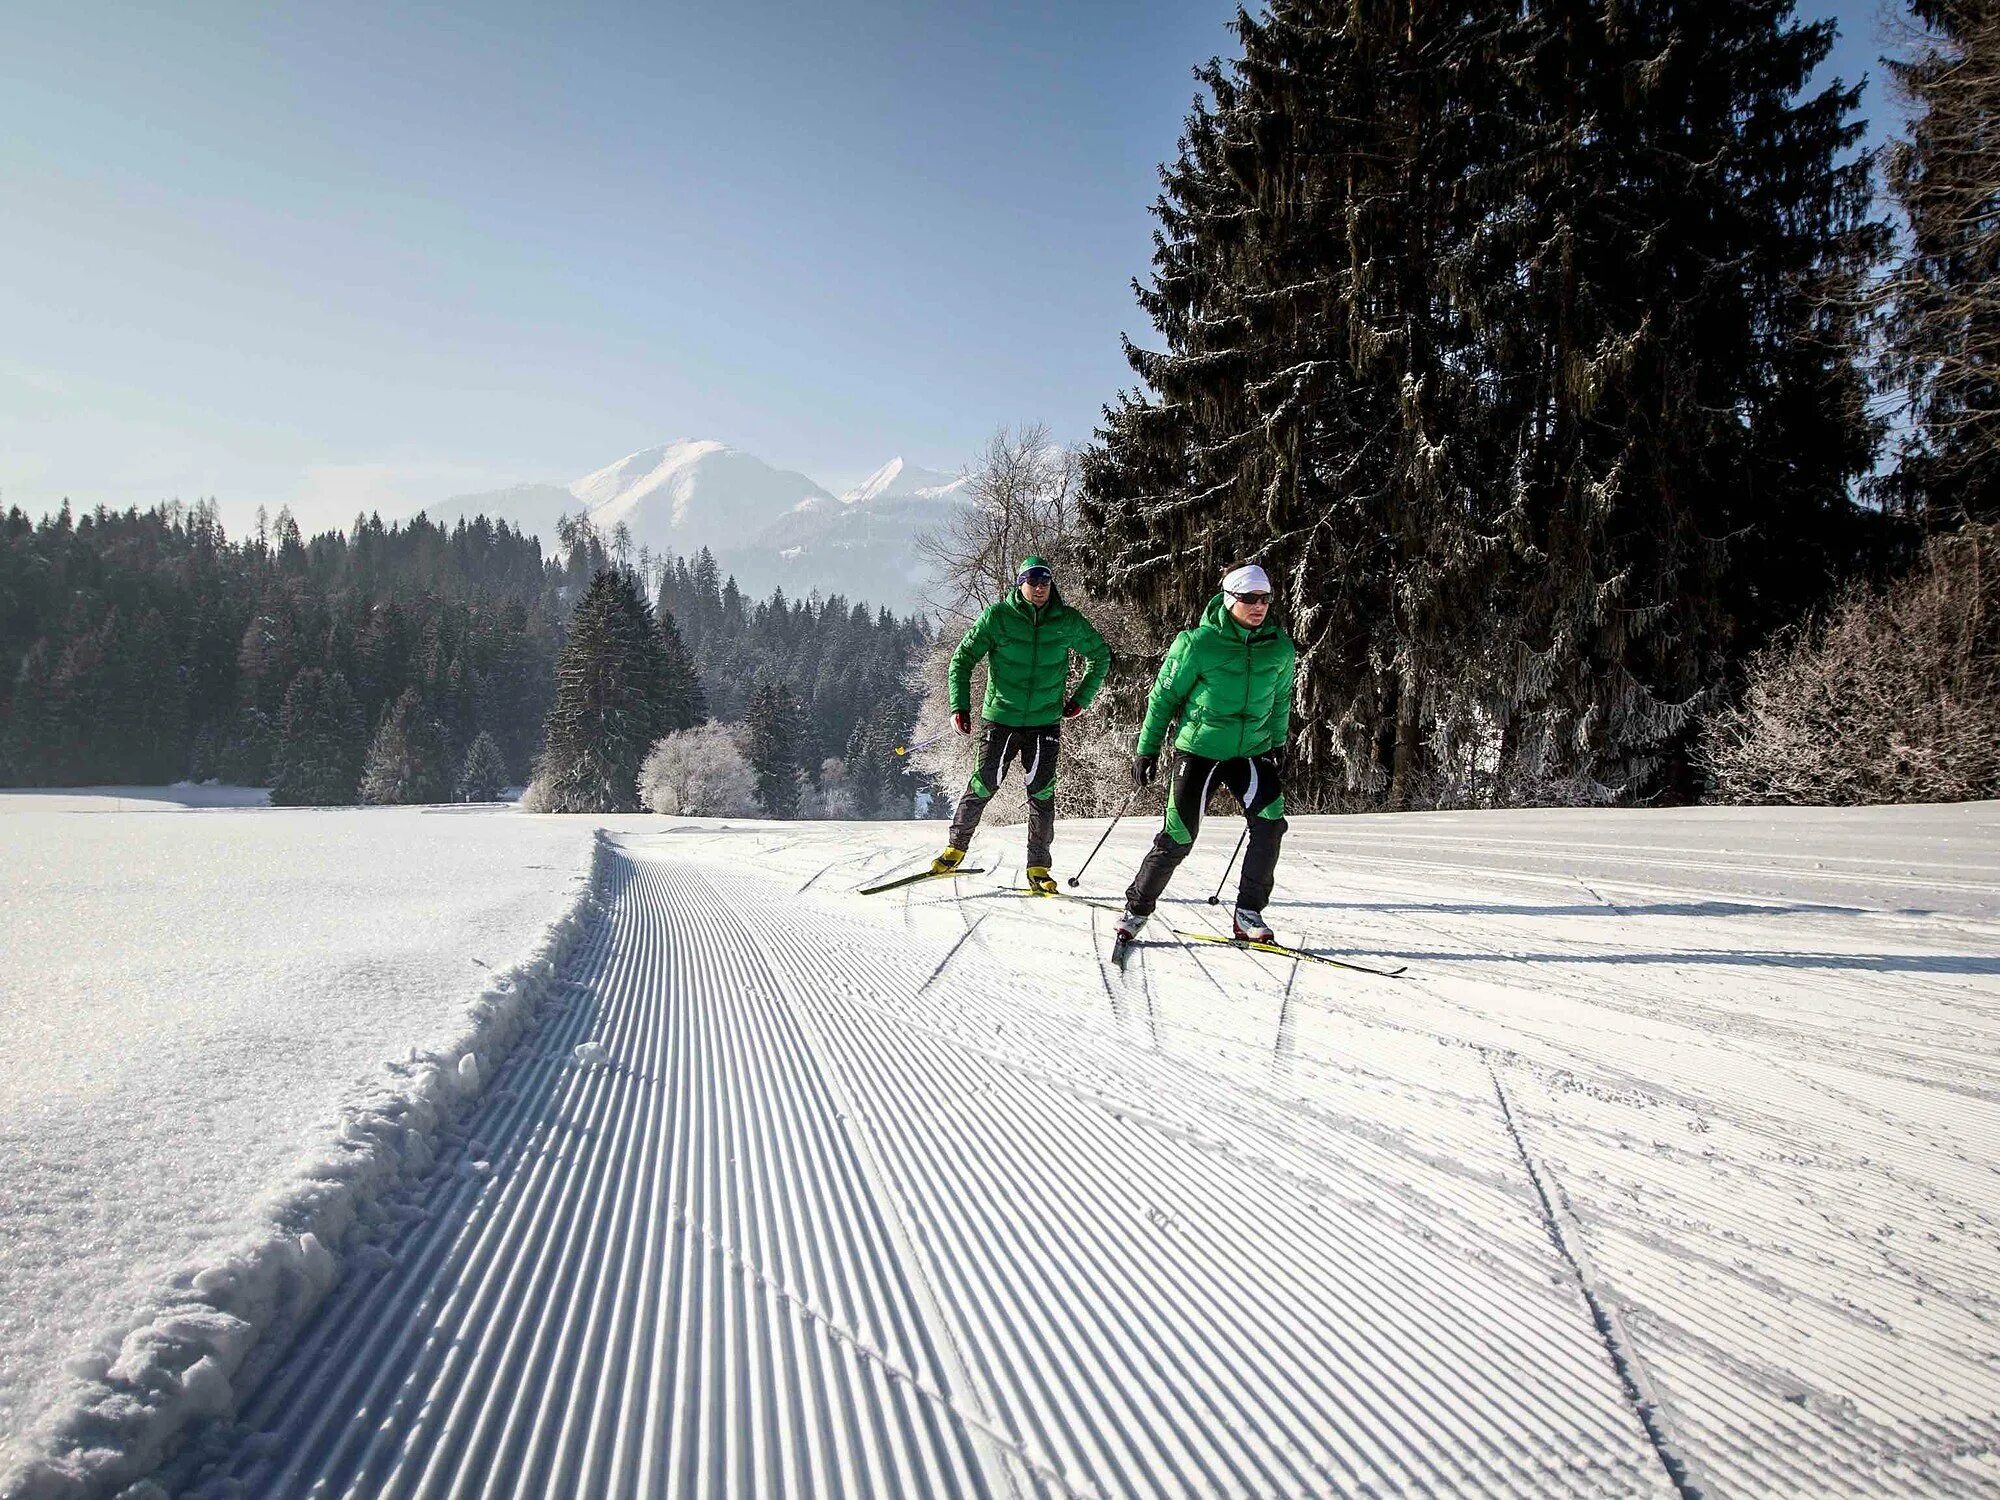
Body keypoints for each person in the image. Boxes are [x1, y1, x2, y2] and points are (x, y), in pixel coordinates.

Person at [1116, 562, 1297, 945]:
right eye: (1249, 598)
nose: (1258, 606)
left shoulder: (1279, 647)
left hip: (1251, 751)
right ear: (1230, 599)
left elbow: (1281, 700)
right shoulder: (1198, 643)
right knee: (1178, 836)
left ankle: (1248, 913)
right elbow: (1163, 698)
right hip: (1199, 751)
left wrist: (1277, 742)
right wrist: (1146, 750)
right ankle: (1136, 910)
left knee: (1270, 824)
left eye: (1265, 598)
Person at [931, 556, 1111, 893]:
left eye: (1045, 581)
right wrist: (960, 706)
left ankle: (1039, 868)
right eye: (1033, 581)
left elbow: (1100, 655)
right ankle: (955, 851)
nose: (1040, 587)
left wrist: (1081, 699)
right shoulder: (998, 618)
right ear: (1020, 584)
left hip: (1045, 724)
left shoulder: (1066, 621)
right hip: (1000, 720)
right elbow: (962, 660)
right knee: (983, 784)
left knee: (1042, 795)